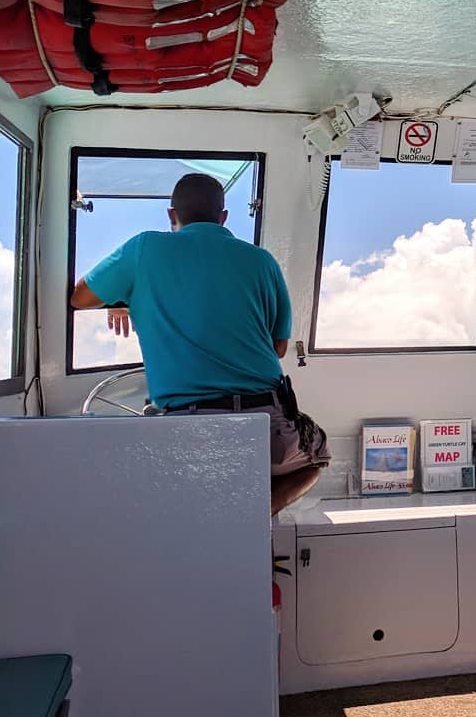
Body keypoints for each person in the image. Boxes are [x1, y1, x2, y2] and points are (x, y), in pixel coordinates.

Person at [71, 172, 330, 514]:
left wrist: (122, 298)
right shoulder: (262, 261)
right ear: (223, 217)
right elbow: (278, 348)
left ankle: (215, 523)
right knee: (317, 457)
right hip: (264, 423)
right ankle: (258, 512)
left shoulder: (144, 248)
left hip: (187, 431)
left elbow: (80, 297)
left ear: (170, 214)